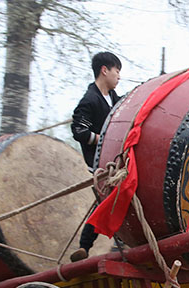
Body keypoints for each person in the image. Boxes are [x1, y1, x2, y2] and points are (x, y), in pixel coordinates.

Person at [70, 51, 122, 262]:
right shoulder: (90, 100)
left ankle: (86, 246)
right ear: (104, 70)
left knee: (107, 202)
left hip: (116, 161)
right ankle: (85, 246)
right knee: (105, 202)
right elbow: (78, 131)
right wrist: (103, 140)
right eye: (117, 71)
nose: (119, 76)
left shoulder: (115, 100)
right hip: (100, 165)